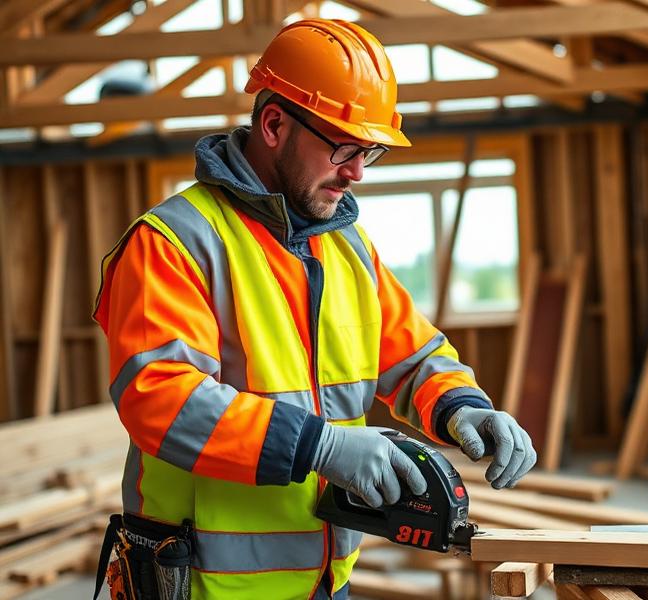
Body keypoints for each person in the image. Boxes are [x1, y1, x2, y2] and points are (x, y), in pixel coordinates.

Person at [93, 18, 536, 600]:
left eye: (369, 152)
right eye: (343, 148)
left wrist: (463, 407)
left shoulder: (346, 245)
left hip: (323, 582)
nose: (355, 173)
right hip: (201, 583)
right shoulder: (176, 241)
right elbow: (159, 397)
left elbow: (412, 352)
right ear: (274, 123)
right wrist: (321, 448)